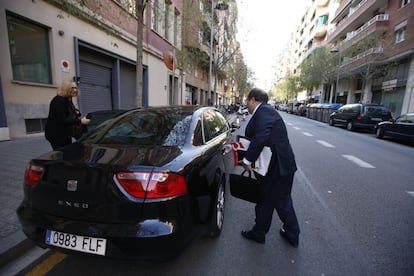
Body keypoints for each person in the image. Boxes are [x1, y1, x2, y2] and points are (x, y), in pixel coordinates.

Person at [240, 88, 300, 247]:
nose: (247, 104)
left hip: (278, 166)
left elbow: (261, 136)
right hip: (283, 164)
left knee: (270, 200)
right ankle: (290, 233)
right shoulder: (266, 111)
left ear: (253, 99)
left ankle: (262, 233)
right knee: (278, 200)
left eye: (247, 101)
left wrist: (247, 160)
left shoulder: (264, 111)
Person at [45, 80, 90, 150]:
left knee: (68, 151)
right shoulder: (59, 101)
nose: (75, 90)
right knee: (61, 154)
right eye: (72, 88)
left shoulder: (68, 99)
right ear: (65, 89)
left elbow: (70, 113)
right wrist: (80, 121)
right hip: (56, 135)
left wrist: (77, 114)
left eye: (75, 88)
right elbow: (62, 120)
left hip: (66, 133)